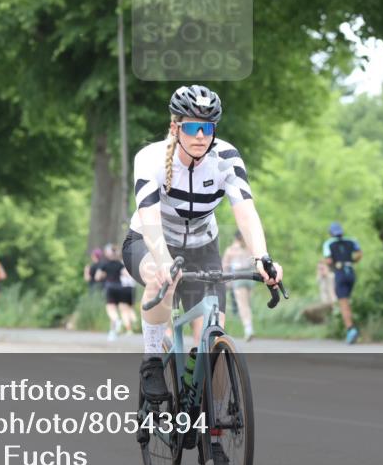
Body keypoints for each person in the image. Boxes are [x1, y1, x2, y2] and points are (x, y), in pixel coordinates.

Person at [122, 85, 283, 397]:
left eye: (207, 128)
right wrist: (164, 261)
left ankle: (208, 418)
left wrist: (262, 257)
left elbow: (246, 212)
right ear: (175, 127)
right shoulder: (150, 158)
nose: (200, 136)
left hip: (202, 248)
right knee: (159, 278)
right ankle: (152, 361)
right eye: (192, 127)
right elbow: (150, 219)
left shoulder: (226, 158)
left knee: (212, 352)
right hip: (149, 241)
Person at [323, 222, 362, 344]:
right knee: (347, 300)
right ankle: (352, 327)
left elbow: (328, 260)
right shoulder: (351, 241)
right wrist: (351, 260)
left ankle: (351, 329)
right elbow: (359, 254)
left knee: (343, 303)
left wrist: (331, 266)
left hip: (340, 273)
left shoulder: (328, 243)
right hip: (351, 273)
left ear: (331, 233)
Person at [95, 244, 136, 340]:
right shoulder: (119, 264)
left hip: (110, 287)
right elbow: (126, 274)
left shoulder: (104, 264)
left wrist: (104, 275)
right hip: (120, 288)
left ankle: (117, 320)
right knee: (116, 309)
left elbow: (97, 277)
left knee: (111, 309)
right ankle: (112, 332)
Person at [222, 231, 255, 341]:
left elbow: (225, 266)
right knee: (244, 304)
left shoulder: (244, 248)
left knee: (245, 304)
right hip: (243, 277)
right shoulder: (235, 249)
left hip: (245, 276)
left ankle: (248, 327)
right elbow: (225, 265)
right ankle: (248, 327)